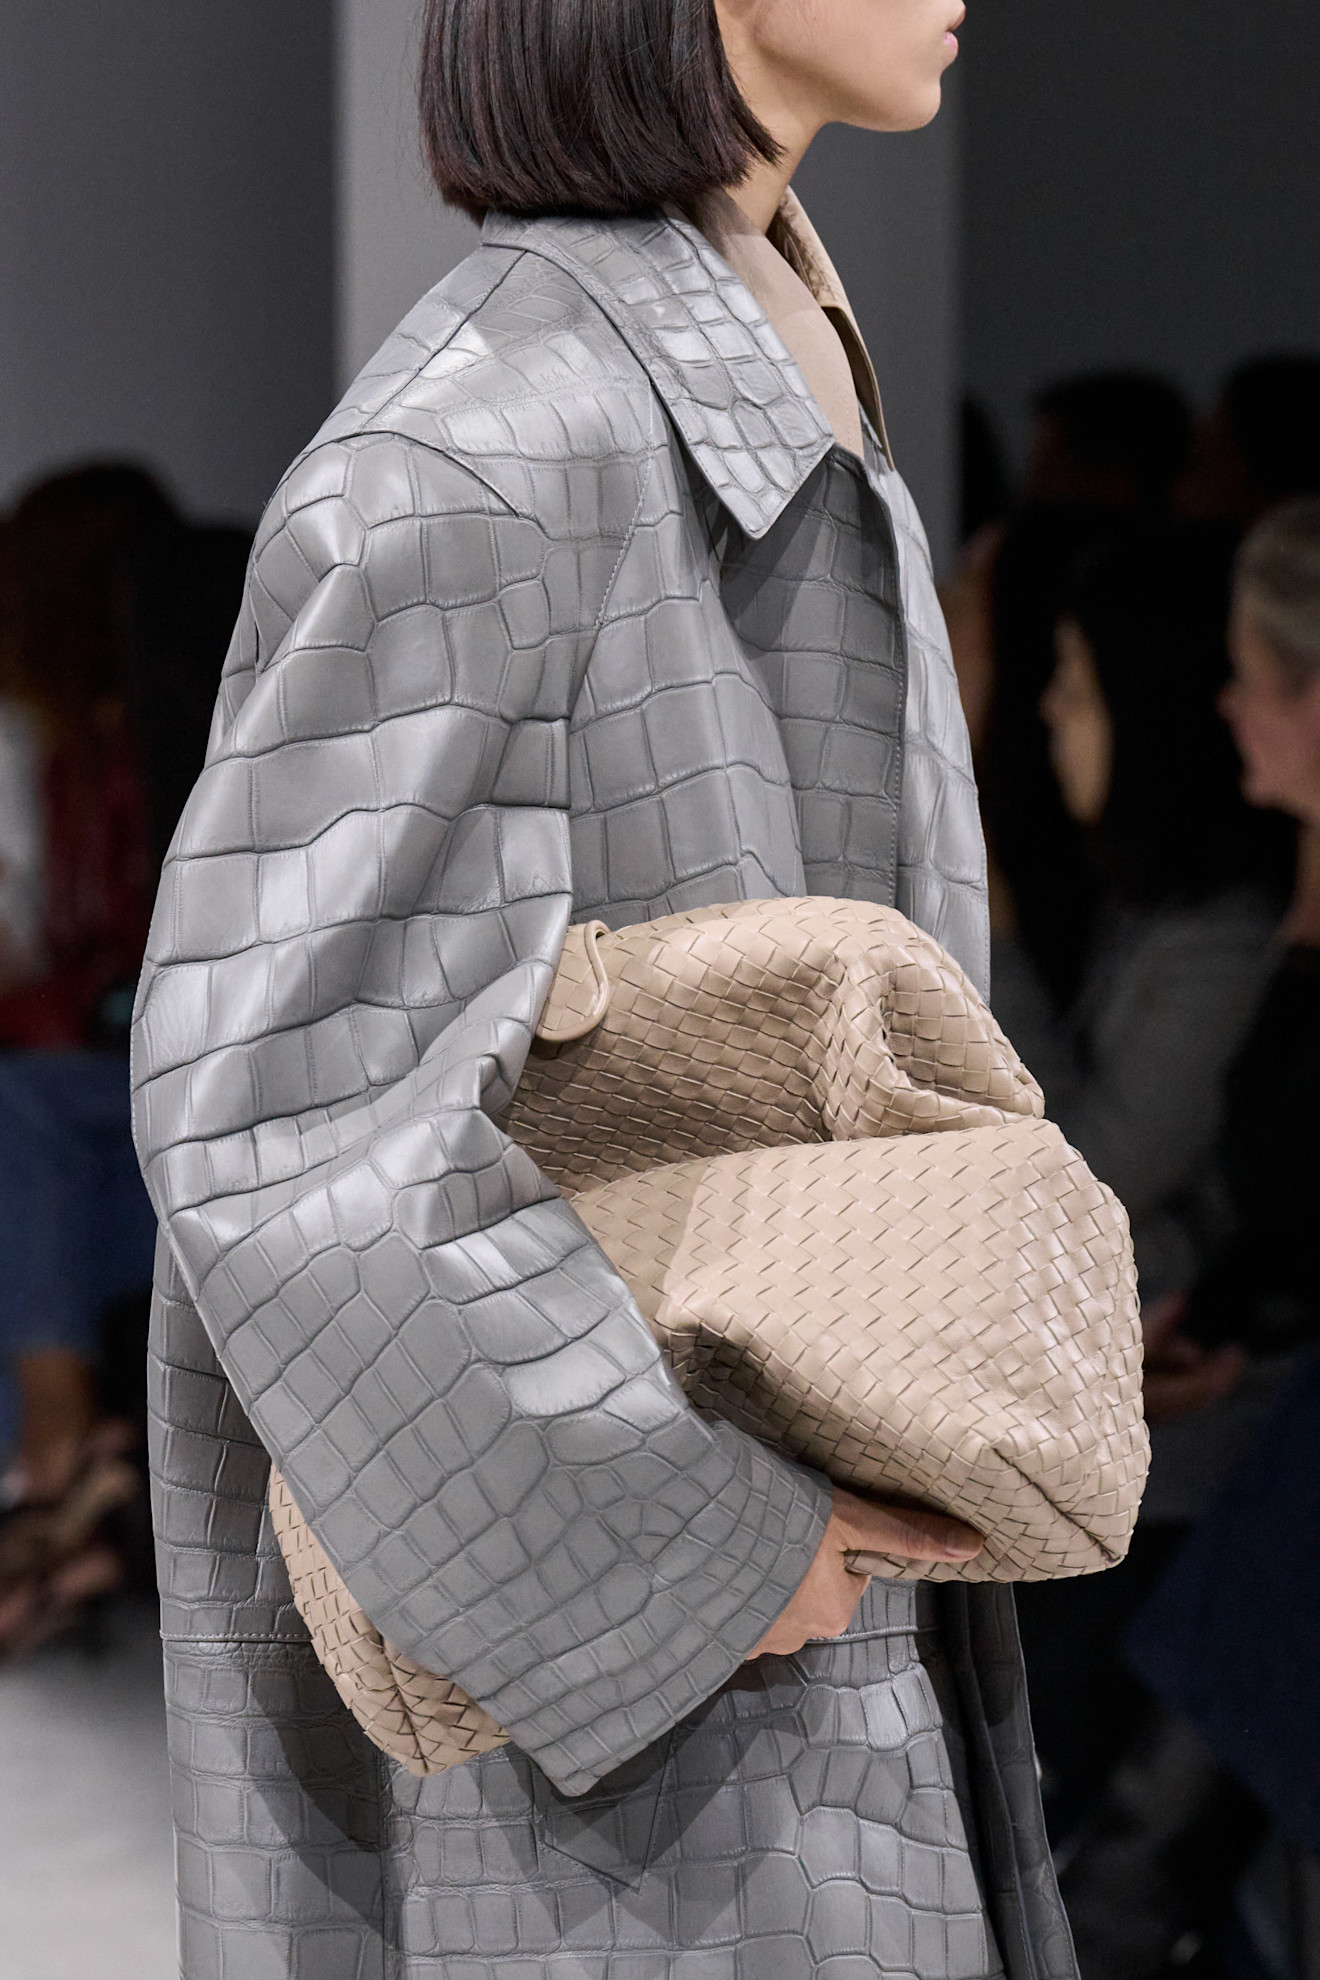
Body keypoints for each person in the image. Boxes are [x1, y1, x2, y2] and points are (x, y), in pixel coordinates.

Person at [130, 2, 1082, 1976]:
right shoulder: (489, 442)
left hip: (743, 1633)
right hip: (617, 1696)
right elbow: (286, 1115)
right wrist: (700, 1544)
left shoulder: (761, 377)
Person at [1054, 499, 1320, 1980]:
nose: (1226, 704)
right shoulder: (1275, 903)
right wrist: (1228, 1312)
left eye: (1252, 673)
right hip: (1257, 1419)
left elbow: (1096, 1158)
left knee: (1157, 1831)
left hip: (1277, 1467)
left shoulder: (1229, 931)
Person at [1001, 521, 1293, 1844]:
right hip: (1137, 1426)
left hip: (1193, 1453)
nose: (1044, 715)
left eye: (1073, 684)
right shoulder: (1156, 915)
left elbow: (1086, 1173)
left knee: (1114, 1836)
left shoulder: (1221, 942)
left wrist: (991, 936)